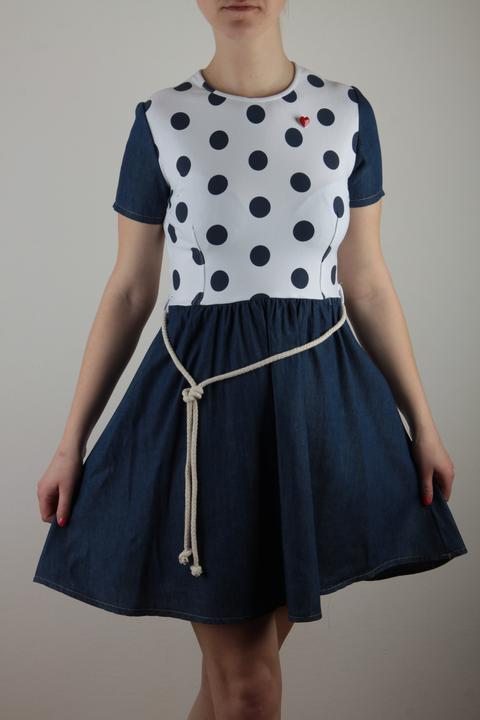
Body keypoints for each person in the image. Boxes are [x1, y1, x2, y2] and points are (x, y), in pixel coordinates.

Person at [33, 1, 468, 718]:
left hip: (319, 407)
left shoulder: (347, 113)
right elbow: (132, 288)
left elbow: (365, 280)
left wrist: (423, 425)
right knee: (248, 690)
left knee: (232, 688)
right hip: (207, 412)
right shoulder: (161, 119)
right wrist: (68, 445)